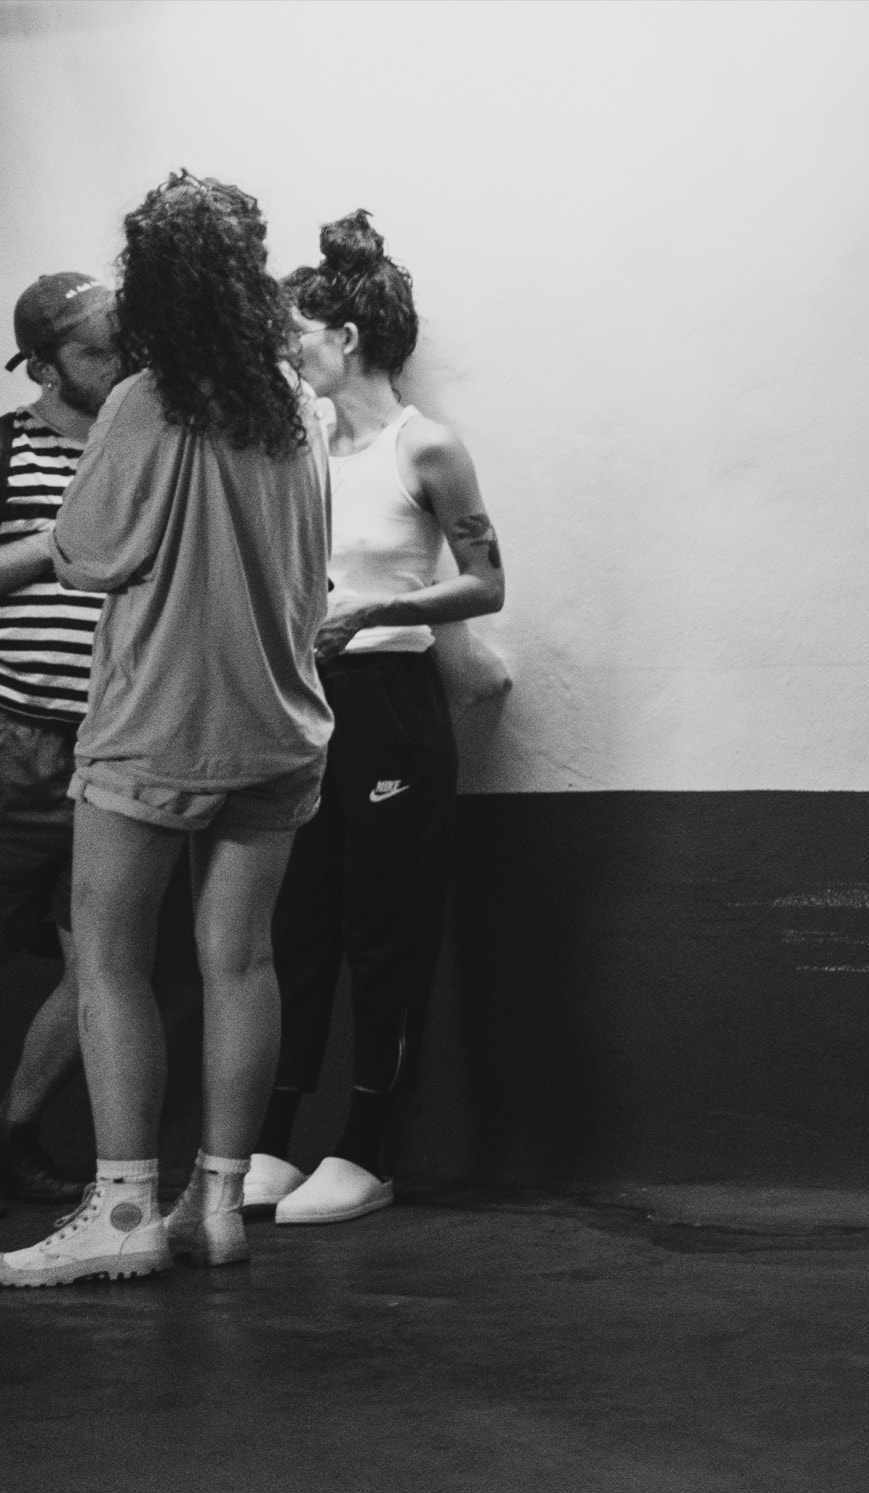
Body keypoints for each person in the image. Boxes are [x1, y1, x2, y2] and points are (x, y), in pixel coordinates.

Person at [0, 172, 332, 1288]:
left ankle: (127, 1211)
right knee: (241, 959)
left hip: (157, 727)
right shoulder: (294, 398)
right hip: (279, 725)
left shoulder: (146, 401)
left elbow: (88, 555)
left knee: (108, 958)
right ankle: (220, 1205)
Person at [244, 211, 503, 1225]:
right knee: (296, 927)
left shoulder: (425, 446)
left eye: (298, 331)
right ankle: (270, 1141)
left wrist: (380, 608)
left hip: (391, 707)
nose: (286, 348)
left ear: (344, 338)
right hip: (305, 710)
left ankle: (367, 1151)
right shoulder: (298, 448)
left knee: (379, 936)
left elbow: (486, 583)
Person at [0, 273, 122, 1211]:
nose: (122, 360)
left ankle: (16, 1132)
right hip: (8, 741)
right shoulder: (6, 446)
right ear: (43, 366)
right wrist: (55, 543)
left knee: (101, 969)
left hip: (109, 751)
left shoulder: (144, 441)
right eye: (96, 349)